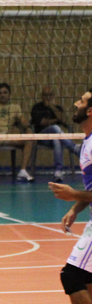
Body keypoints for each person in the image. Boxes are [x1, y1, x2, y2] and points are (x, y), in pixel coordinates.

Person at [47, 88, 92, 303]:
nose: (76, 104)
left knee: (72, 276)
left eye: (81, 101)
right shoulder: (86, 143)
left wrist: (74, 194)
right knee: (87, 278)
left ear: (90, 111)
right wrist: (75, 208)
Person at [0, 82, 35, 183]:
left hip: (8, 136)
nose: (2, 95)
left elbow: (22, 119)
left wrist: (28, 128)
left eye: (5, 92)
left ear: (9, 94)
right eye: (0, 93)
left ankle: (23, 171)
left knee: (29, 139)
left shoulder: (15, 107)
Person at [32, 85, 81, 182]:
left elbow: (63, 120)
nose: (48, 97)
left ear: (53, 96)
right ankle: (73, 147)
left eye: (50, 95)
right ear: (42, 96)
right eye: (45, 95)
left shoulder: (57, 108)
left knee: (56, 139)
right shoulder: (37, 107)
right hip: (41, 137)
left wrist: (51, 106)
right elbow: (41, 122)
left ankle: (58, 171)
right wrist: (55, 120)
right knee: (55, 127)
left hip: (56, 138)